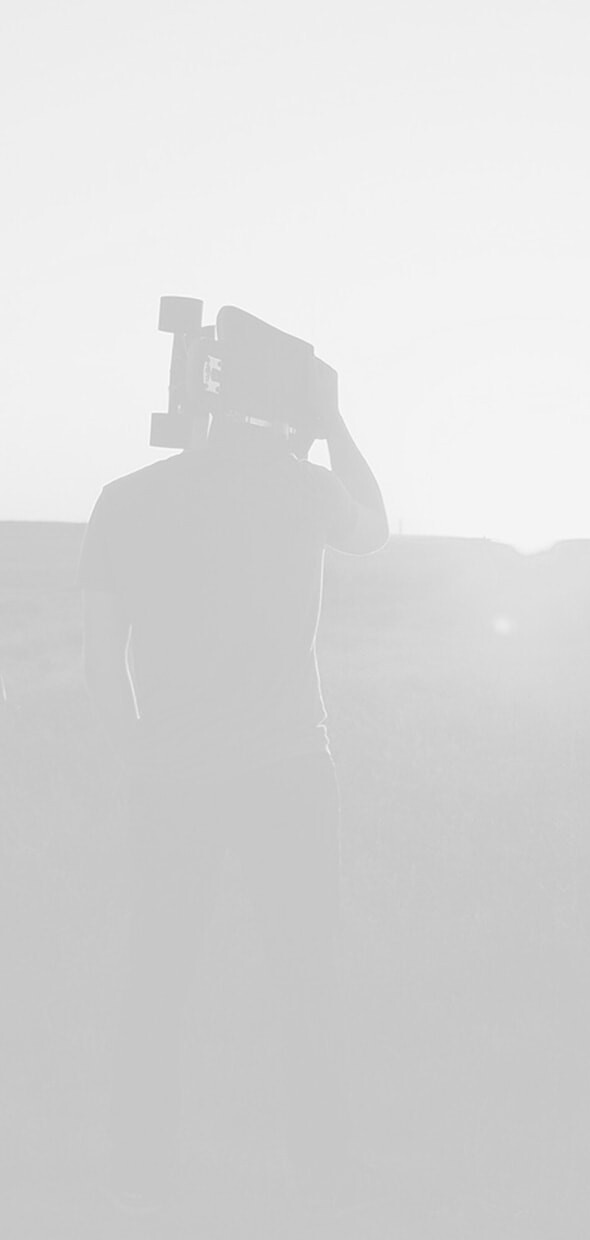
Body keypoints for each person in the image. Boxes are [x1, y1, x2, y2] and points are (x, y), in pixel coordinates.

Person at [79, 365, 388, 1219]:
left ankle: (139, 1177)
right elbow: (375, 530)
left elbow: (102, 660)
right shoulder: (303, 487)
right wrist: (334, 422)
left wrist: (141, 755)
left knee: (156, 974)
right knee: (305, 974)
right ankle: (322, 1169)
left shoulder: (126, 499)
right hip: (289, 771)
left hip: (173, 775)